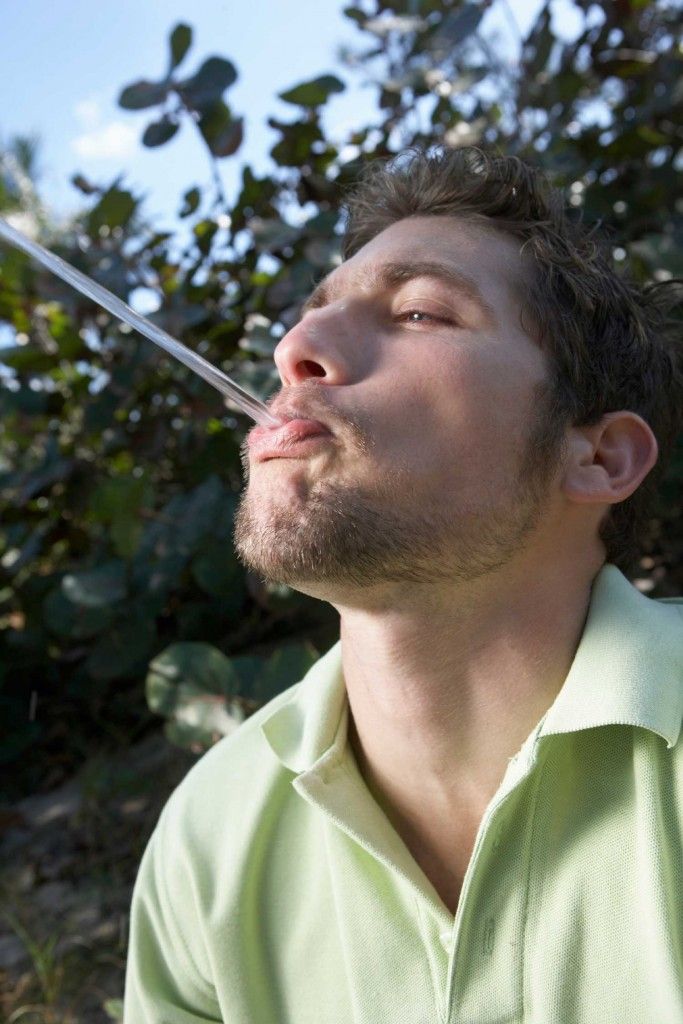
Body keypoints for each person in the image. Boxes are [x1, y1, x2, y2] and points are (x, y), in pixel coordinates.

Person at [123, 146, 683, 1023]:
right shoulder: (207, 838)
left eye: (419, 311)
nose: (294, 349)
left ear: (599, 456)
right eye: (307, 318)